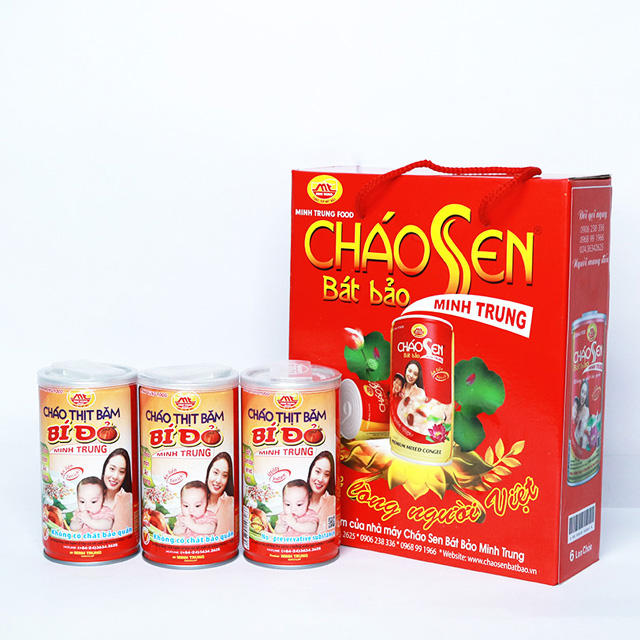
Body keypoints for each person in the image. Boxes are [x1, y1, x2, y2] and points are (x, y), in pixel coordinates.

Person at [101, 448, 133, 531]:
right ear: (105, 468)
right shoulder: (93, 495)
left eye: (121, 472)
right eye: (112, 469)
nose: (115, 476)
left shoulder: (129, 500)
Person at [307, 451, 336, 534]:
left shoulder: (332, 503)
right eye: (317, 471)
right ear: (311, 471)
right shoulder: (299, 497)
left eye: (326, 474)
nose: (320, 479)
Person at [205, 452, 234, 535]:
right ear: (208, 472)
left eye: (224, 475)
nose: (218, 480)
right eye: (215, 473)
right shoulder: (197, 500)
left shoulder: (230, 503)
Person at [574, 379, 590, 449]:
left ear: (586, 396)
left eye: (585, 393)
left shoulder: (586, 411)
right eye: (582, 392)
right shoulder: (576, 403)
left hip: (579, 444)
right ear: (580, 391)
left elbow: (581, 432)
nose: (583, 396)